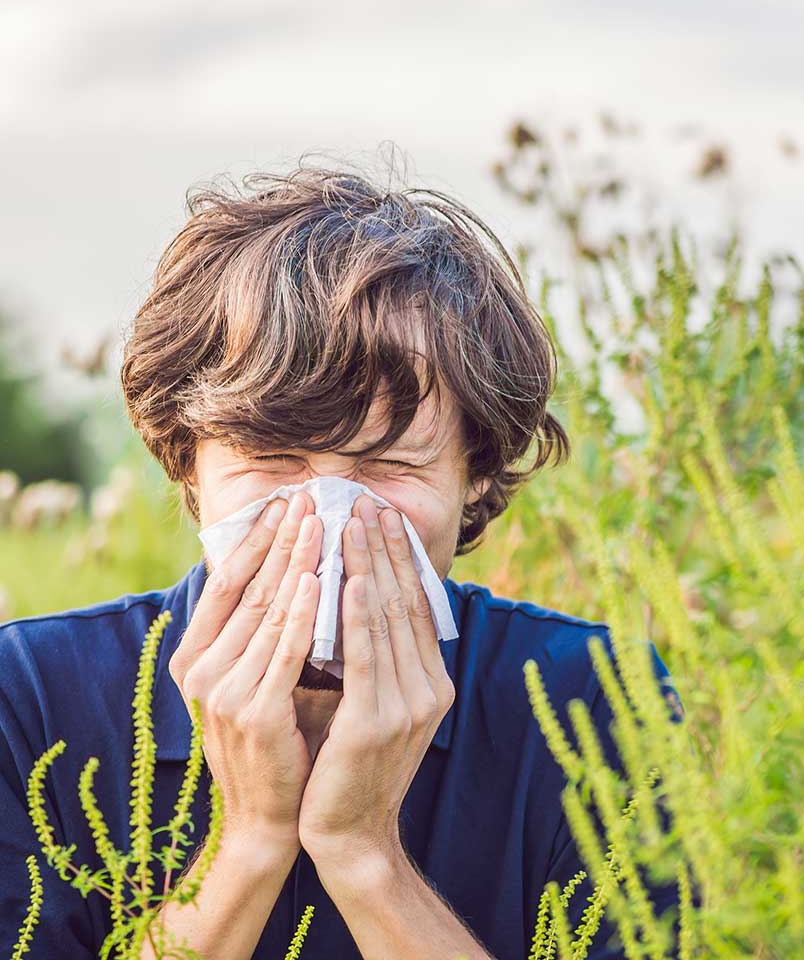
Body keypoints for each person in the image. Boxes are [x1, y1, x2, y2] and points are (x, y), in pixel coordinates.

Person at [0, 164, 682, 959]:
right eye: (273, 456)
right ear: (188, 463)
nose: (327, 520)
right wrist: (250, 839)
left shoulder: (594, 703)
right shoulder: (31, 701)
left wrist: (364, 854)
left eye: (389, 464)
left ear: (476, 475)